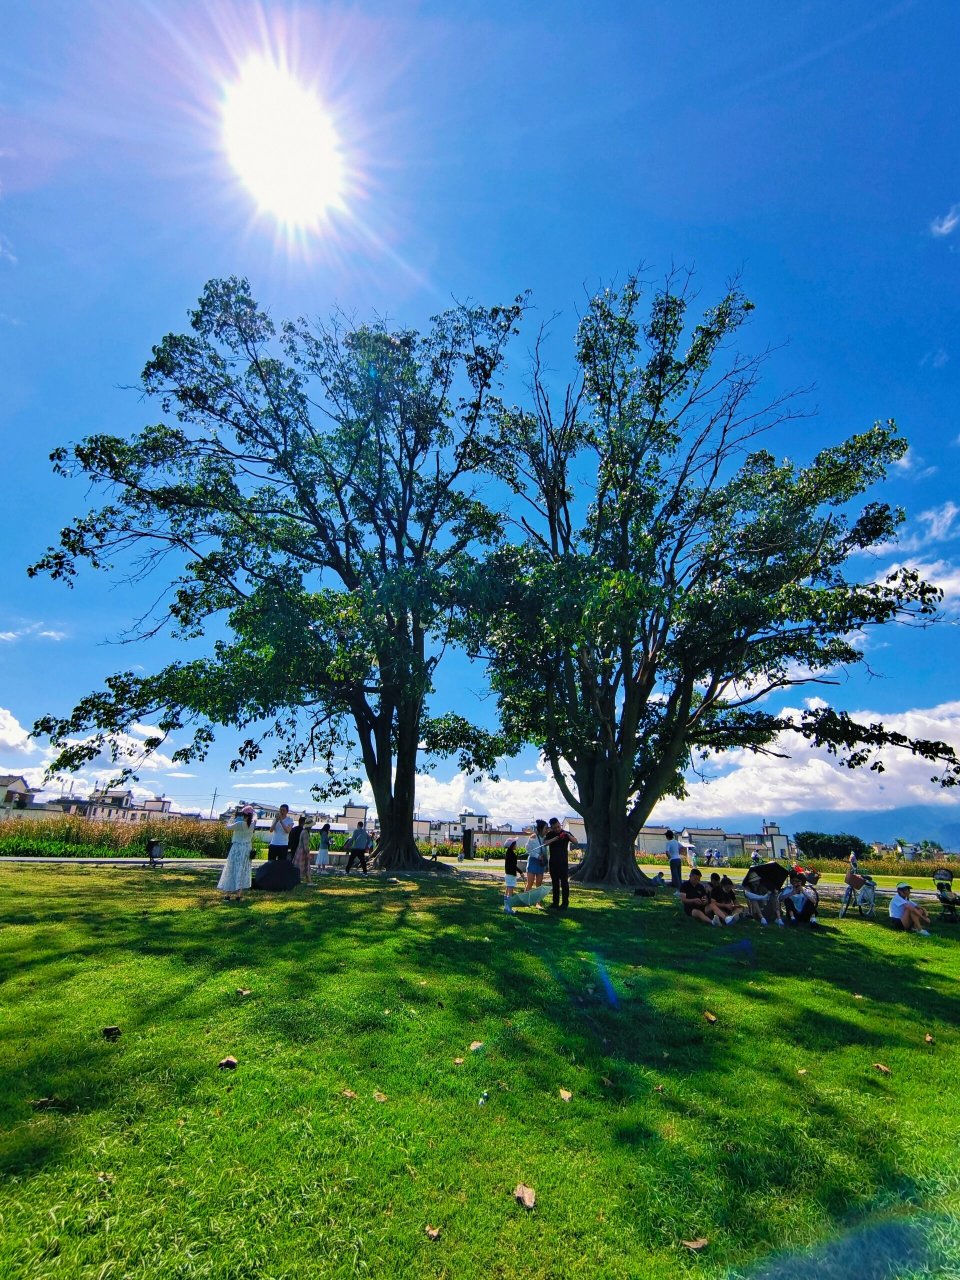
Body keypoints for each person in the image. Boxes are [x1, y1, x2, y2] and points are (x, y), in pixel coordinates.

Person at [217, 805, 255, 900]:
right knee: (242, 870)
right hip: (246, 848)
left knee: (232, 869)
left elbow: (227, 827)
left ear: (243, 814)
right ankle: (239, 895)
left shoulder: (239, 824)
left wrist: (232, 816)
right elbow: (254, 818)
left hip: (237, 847)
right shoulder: (253, 824)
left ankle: (228, 894)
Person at [544, 817, 577, 910]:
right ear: (551, 827)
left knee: (564, 884)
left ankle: (565, 904)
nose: (557, 829)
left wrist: (568, 836)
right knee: (555, 884)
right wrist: (553, 839)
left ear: (560, 824)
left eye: (558, 826)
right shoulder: (550, 834)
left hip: (563, 863)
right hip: (553, 863)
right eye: (555, 828)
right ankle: (555, 903)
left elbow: (576, 841)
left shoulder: (565, 833)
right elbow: (545, 843)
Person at [524, 821, 548, 892]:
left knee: (539, 884)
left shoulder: (545, 838)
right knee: (530, 883)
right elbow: (528, 850)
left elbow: (545, 852)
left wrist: (546, 864)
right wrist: (537, 856)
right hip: (532, 862)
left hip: (541, 863)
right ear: (540, 829)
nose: (547, 830)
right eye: (545, 828)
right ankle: (526, 900)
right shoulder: (533, 837)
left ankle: (538, 902)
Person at [294, 815, 314, 883]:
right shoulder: (305, 833)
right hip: (303, 852)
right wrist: (308, 853)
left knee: (302, 867)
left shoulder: (303, 831)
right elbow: (305, 845)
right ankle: (309, 881)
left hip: (299, 851)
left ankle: (307, 880)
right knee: (305, 867)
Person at [503, 839, 519, 913]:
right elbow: (514, 865)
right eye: (515, 844)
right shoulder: (511, 854)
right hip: (511, 874)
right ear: (512, 845)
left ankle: (506, 907)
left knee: (507, 889)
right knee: (510, 890)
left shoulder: (509, 853)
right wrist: (521, 872)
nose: (516, 845)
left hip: (508, 874)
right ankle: (509, 908)